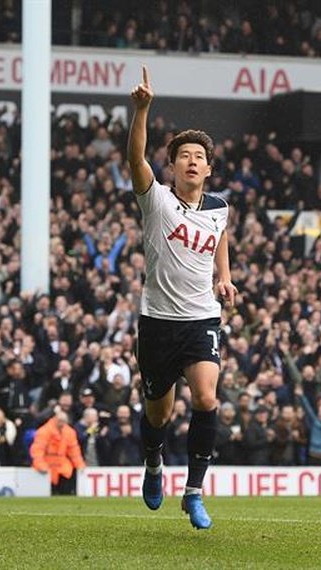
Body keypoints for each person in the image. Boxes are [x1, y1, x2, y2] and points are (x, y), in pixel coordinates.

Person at [128, 65, 236, 529]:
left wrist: (224, 276)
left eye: (199, 156)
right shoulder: (156, 200)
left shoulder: (220, 207)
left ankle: (193, 492)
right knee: (159, 413)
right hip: (157, 321)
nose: (192, 161)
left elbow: (221, 236)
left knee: (207, 399)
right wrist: (143, 110)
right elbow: (135, 160)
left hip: (201, 320)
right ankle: (154, 465)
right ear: (172, 166)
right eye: (183, 156)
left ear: (209, 168)